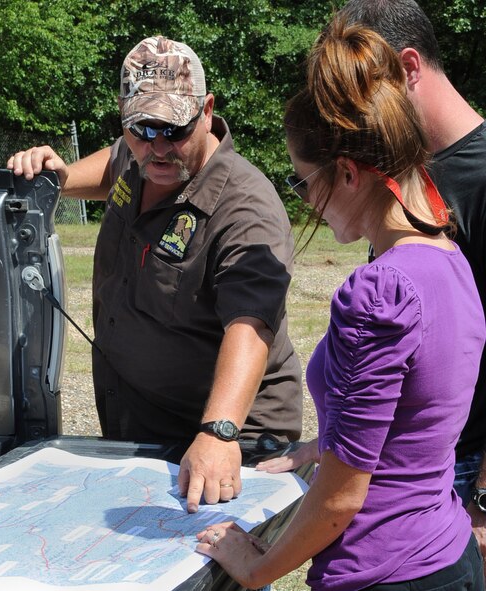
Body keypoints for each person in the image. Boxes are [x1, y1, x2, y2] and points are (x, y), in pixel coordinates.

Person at [196, 16, 486, 591]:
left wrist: (254, 567)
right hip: (448, 553)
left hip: (385, 573)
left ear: (349, 173)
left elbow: (341, 499)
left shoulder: (379, 293)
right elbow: (414, 421)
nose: (307, 203)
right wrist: (323, 444)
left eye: (305, 183)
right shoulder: (450, 256)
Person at [7, 35, 303, 514]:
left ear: (207, 110)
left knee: (216, 572)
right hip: (142, 423)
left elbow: (251, 324)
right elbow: (113, 166)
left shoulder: (246, 208)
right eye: (142, 128)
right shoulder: (139, 154)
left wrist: (219, 430)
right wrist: (60, 177)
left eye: (175, 130)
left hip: (227, 436)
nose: (158, 147)